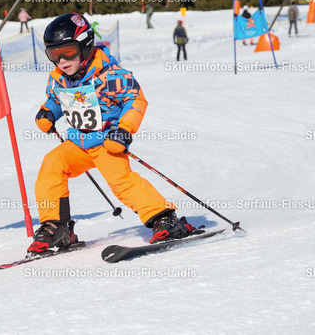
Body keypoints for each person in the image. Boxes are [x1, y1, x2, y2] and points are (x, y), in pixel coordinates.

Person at [27, 13, 196, 256]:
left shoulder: (112, 75)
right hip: (79, 143)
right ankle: (56, 226)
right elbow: (56, 100)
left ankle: (164, 218)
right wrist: (48, 113)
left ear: (85, 46)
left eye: (68, 52)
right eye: (54, 55)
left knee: (120, 181)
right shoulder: (58, 79)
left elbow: (136, 100)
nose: (62, 61)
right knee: (52, 164)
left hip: (107, 142)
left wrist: (124, 131)